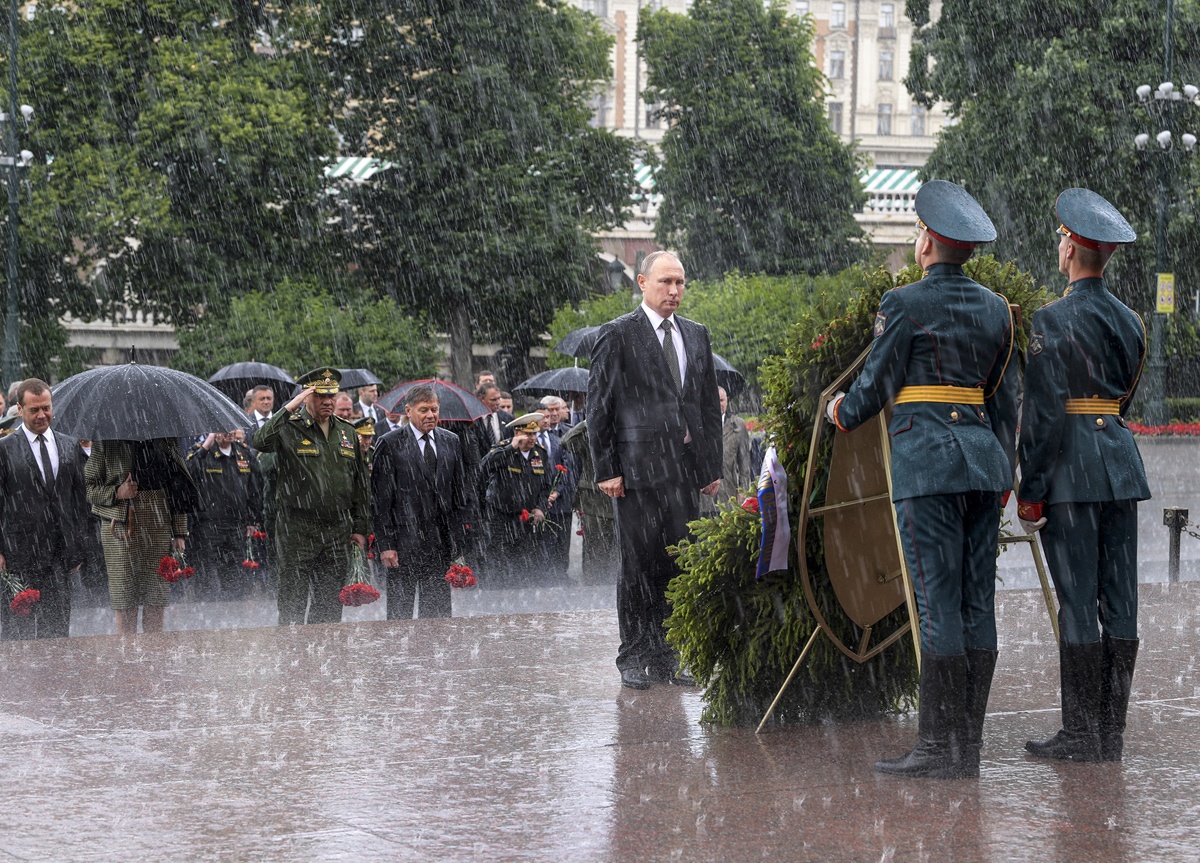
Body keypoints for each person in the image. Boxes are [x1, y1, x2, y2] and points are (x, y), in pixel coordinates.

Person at [825, 180, 1017, 779]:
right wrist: (1004, 465)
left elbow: (875, 386)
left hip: (927, 462)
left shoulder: (903, 303)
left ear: (928, 241)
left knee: (935, 606)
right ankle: (969, 748)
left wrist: (839, 411)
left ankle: (937, 748)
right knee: (975, 601)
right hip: (983, 464)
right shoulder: (997, 309)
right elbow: (1001, 396)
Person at [1017, 189, 1149, 763]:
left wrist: (1031, 490)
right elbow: (1124, 399)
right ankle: (1109, 732)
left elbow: (1044, 415)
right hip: (1120, 467)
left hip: (1071, 472)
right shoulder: (1130, 320)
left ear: (1072, 248)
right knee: (1120, 601)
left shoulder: (1049, 320)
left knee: (1077, 602)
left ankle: (1079, 733)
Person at [587, 250, 723, 690]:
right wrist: (607, 468)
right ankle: (633, 654)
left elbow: (704, 406)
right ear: (643, 282)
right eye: (665, 282)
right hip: (636, 473)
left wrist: (710, 467)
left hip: (683, 473)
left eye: (680, 282)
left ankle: (669, 655)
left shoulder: (697, 335)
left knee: (678, 564)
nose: (674, 290)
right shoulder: (618, 334)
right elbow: (599, 406)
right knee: (638, 565)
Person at [252, 368, 371, 625]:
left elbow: (360, 484)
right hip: (298, 528)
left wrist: (360, 528)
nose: (328, 401)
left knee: (328, 605)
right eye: (319, 396)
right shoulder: (290, 428)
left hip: (337, 530)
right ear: (306, 397)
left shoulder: (347, 432)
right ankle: (293, 659)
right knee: (292, 602)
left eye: (332, 396)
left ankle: (323, 658)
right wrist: (288, 408)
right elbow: (260, 441)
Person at [0, 379, 90, 639]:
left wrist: (79, 544)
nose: (42, 415)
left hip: (59, 555)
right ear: (19, 409)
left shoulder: (68, 445)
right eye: (34, 410)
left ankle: (56, 680)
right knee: (21, 635)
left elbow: (79, 499)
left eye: (46, 408)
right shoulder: (5, 449)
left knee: (58, 632)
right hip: (19, 555)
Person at [372, 386, 468, 619]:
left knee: (437, 612)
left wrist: (460, 539)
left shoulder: (451, 441)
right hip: (404, 542)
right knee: (400, 612)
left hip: (439, 542)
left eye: (434, 409)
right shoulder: (390, 443)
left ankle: (435, 654)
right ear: (408, 411)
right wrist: (386, 544)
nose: (430, 415)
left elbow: (459, 492)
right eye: (423, 410)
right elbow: (380, 499)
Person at [86, 436, 198, 635]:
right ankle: (127, 656)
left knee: (156, 596)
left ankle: (154, 657)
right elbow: (89, 488)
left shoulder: (165, 437)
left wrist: (179, 532)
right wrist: (117, 493)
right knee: (125, 598)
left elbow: (177, 486)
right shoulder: (106, 441)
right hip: (120, 528)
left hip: (159, 522)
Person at [479, 414, 557, 586]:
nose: (532, 438)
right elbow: (485, 466)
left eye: (534, 434)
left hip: (525, 517)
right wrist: (510, 448)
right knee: (498, 560)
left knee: (524, 562)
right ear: (517, 433)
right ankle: (497, 597)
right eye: (527, 434)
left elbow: (545, 486)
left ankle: (520, 597)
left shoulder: (540, 453)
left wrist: (540, 507)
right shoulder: (503, 449)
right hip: (500, 515)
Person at [186, 430, 264, 599]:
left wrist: (252, 519)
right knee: (208, 577)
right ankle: (208, 616)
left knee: (236, 574)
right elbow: (188, 472)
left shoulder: (243, 453)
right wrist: (206, 445)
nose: (229, 432)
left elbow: (255, 488)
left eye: (231, 428)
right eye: (222, 429)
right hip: (209, 524)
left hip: (237, 523)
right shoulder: (203, 452)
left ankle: (234, 615)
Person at [561, 419, 618, 584]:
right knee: (596, 551)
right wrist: (588, 420)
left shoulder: (624, 425)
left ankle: (614, 589)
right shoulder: (592, 429)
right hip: (594, 502)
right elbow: (566, 442)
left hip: (619, 499)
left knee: (619, 552)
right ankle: (593, 590)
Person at [699, 386, 753, 515]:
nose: (718, 404)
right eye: (714, 400)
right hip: (704, 497)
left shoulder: (737, 425)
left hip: (728, 494)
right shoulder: (699, 424)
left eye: (721, 400)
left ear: (727, 401)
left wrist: (743, 490)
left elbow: (744, 463)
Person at [534, 410, 575, 579]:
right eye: (542, 417)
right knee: (544, 541)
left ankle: (561, 575)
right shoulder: (530, 441)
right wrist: (542, 497)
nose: (547, 419)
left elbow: (567, 467)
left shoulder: (557, 440)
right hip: (538, 501)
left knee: (562, 540)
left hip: (560, 501)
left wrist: (557, 491)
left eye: (548, 416)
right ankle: (544, 575)